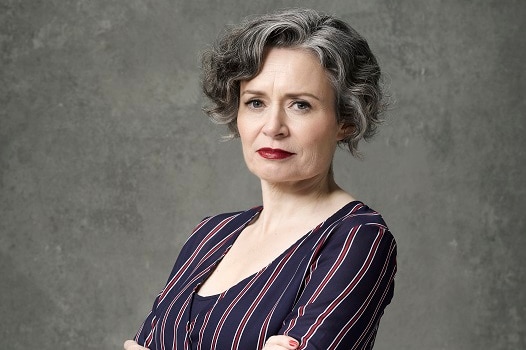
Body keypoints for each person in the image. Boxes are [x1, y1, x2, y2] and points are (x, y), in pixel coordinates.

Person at [124, 8, 397, 350]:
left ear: (346, 120)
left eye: (300, 105)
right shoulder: (209, 234)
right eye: (255, 103)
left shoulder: (358, 238)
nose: (272, 127)